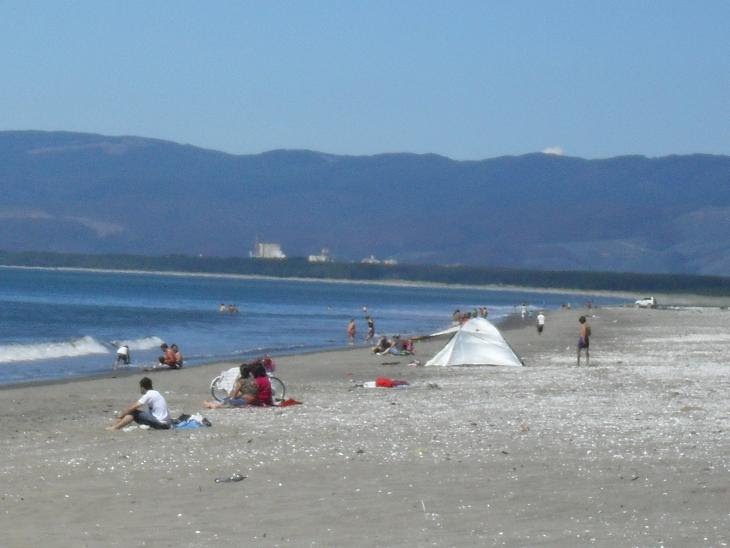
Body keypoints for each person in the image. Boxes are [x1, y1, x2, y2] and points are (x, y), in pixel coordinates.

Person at [106, 377, 171, 430]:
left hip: (161, 424)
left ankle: (115, 428)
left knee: (133, 412)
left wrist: (120, 416)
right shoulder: (156, 393)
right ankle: (116, 426)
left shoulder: (149, 394)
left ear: (142, 387)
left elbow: (132, 408)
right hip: (166, 424)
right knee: (134, 413)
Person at [203, 362, 272, 408]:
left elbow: (234, 395)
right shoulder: (252, 379)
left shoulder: (241, 381)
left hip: (249, 401)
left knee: (228, 401)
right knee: (231, 399)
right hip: (256, 400)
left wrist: (230, 397)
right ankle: (216, 404)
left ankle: (214, 405)